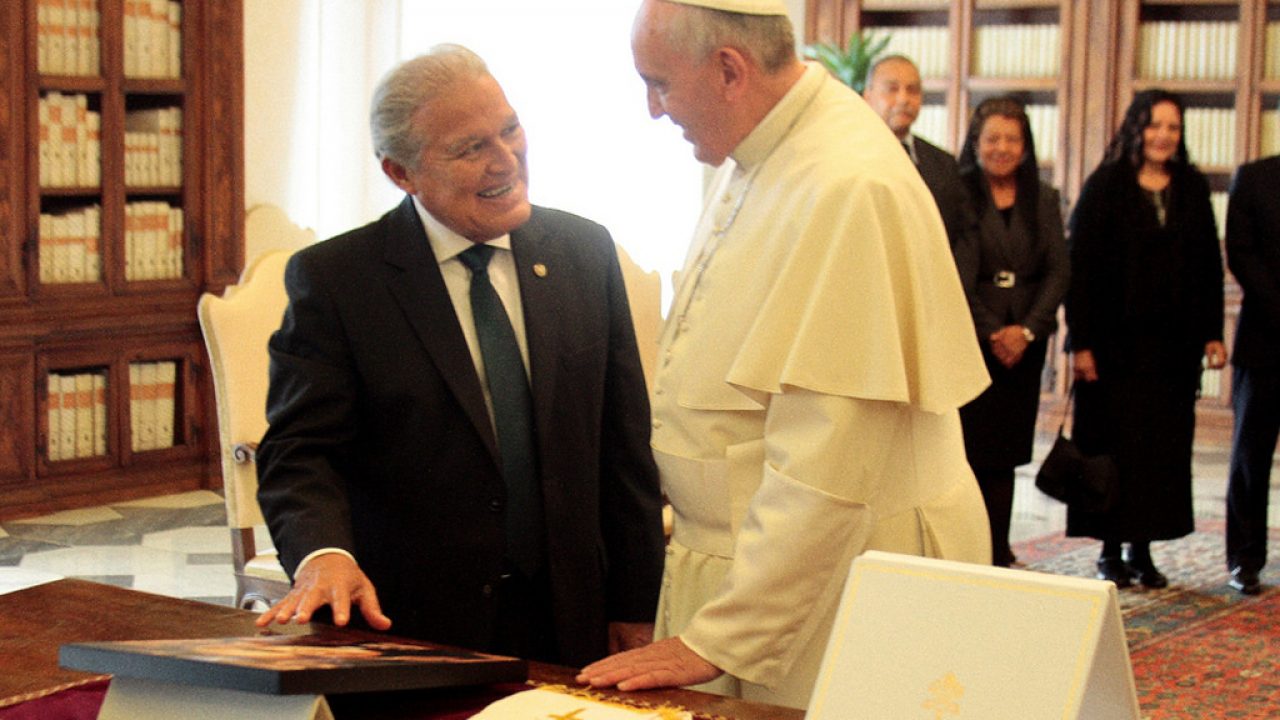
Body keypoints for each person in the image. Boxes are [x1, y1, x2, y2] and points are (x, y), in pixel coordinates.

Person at [578, 0, 992, 708]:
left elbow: (830, 460)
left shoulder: (849, 185)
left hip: (831, 578)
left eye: (659, 83)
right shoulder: (762, 147)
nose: (653, 109)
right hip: (742, 560)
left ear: (729, 70)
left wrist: (723, 637)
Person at [253, 45, 666, 667]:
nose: (507, 160)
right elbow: (300, 452)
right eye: (471, 148)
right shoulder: (339, 281)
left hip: (571, 614)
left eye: (510, 130)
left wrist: (635, 605)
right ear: (401, 173)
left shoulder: (584, 251)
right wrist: (323, 554)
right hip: (413, 623)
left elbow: (624, 444)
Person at [1064, 89, 1226, 589]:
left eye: (1173, 127)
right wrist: (1080, 343)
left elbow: (1208, 266)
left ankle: (1143, 549)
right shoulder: (1105, 185)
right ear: (1136, 128)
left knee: (1160, 453)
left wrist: (1213, 334)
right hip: (1113, 350)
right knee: (1114, 448)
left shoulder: (1192, 188)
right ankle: (1110, 550)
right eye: (1154, 125)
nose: (1163, 136)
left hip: (1172, 354)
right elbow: (1080, 269)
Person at [953, 97, 1069, 568]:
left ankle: (998, 550)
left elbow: (1059, 271)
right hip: (972, 338)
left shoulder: (1044, 197)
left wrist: (1027, 331)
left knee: (1006, 453)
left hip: (1025, 343)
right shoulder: (959, 193)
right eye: (992, 139)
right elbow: (954, 275)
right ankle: (965, 548)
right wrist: (993, 332)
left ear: (1026, 146)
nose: (1002, 148)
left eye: (1012, 139)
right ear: (976, 143)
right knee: (967, 451)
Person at [1224, 123, 1280, 596]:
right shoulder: (1254, 178)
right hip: (1265, 339)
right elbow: (1241, 254)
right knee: (1250, 455)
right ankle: (1245, 558)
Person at [862, 54, 971, 250]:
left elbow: (965, 234)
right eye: (892, 89)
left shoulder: (944, 163)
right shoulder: (851, 158)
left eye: (912, 90)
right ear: (867, 97)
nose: (903, 99)